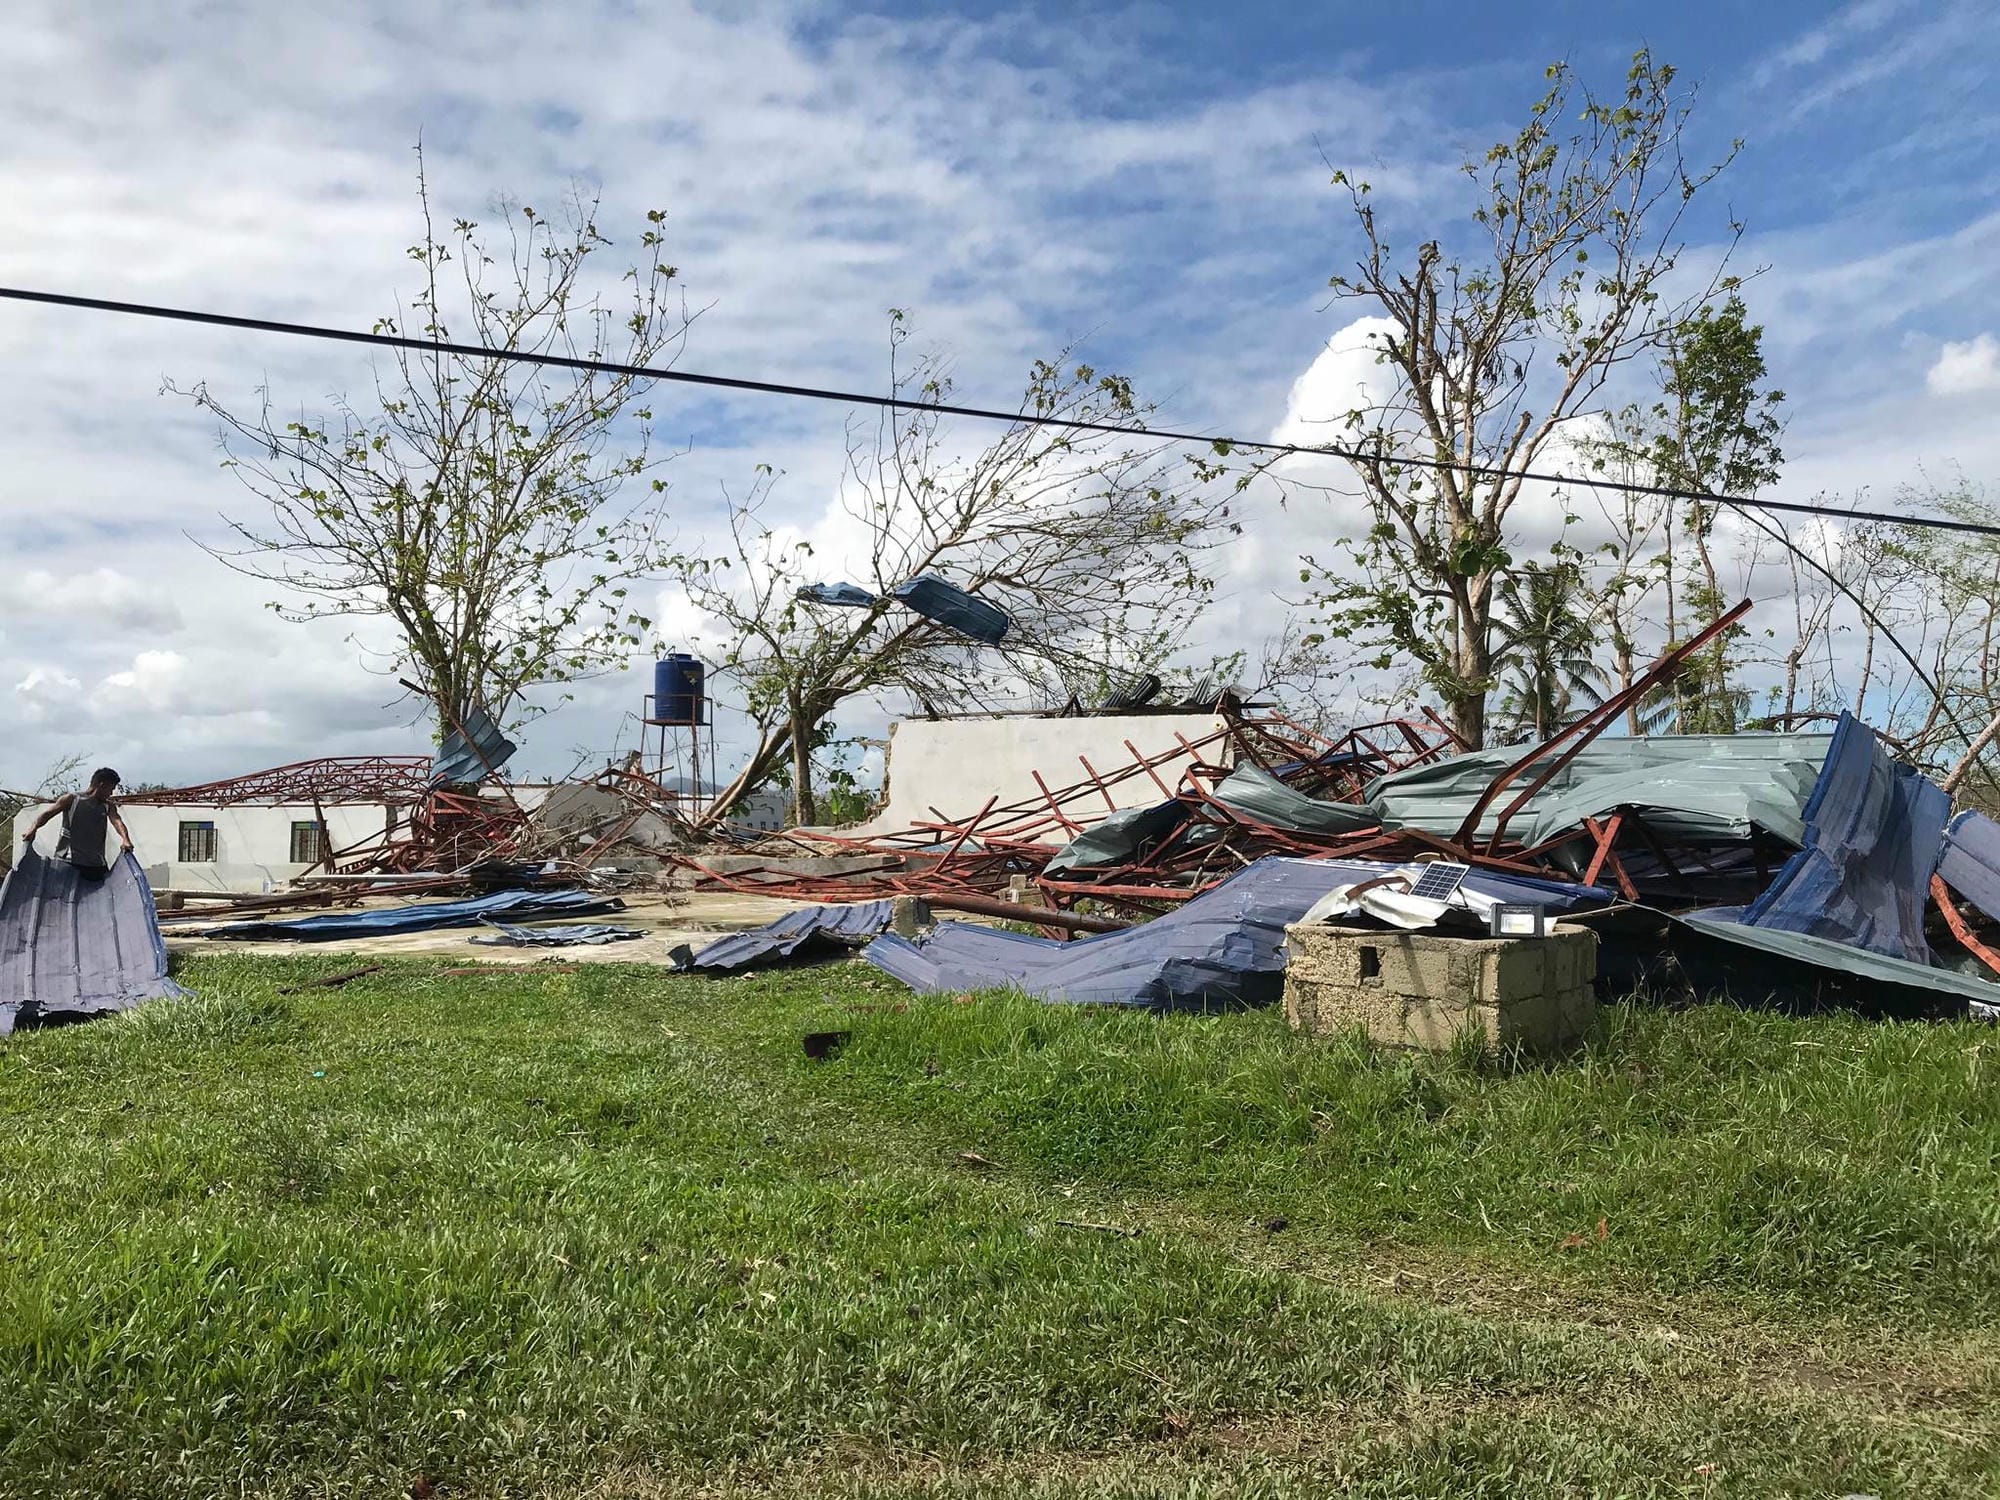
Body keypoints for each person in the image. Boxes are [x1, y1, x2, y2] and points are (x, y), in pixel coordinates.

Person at [19, 767, 133, 880]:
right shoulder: (71, 799)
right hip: (68, 861)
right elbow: (47, 814)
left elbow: (117, 821)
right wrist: (33, 829)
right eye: (110, 789)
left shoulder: (108, 806)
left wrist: (126, 839)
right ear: (102, 785)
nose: (111, 793)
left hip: (95, 864)